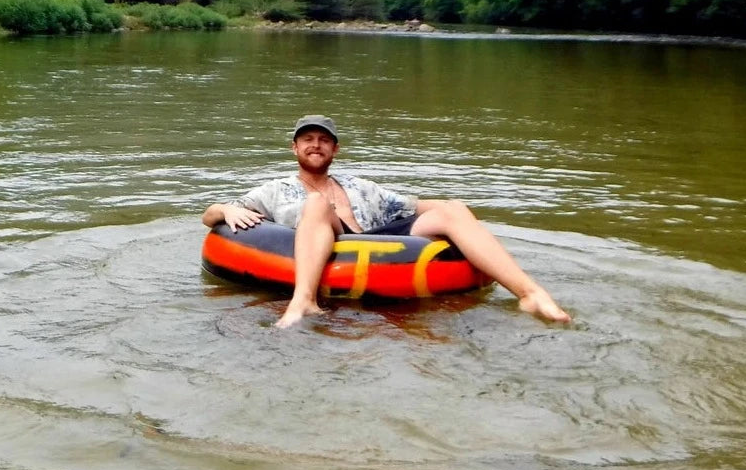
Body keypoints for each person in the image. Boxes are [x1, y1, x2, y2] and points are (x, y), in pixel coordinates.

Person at [201, 114, 571, 328]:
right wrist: (225, 208)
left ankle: (530, 295)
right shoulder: (274, 190)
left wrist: (455, 213)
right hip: (321, 240)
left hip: (373, 240)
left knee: (454, 207)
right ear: (295, 148)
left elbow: (420, 206)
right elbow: (210, 218)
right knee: (316, 202)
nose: (316, 145)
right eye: (308, 139)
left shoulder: (362, 187)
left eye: (324, 140)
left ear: (335, 149)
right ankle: (303, 301)